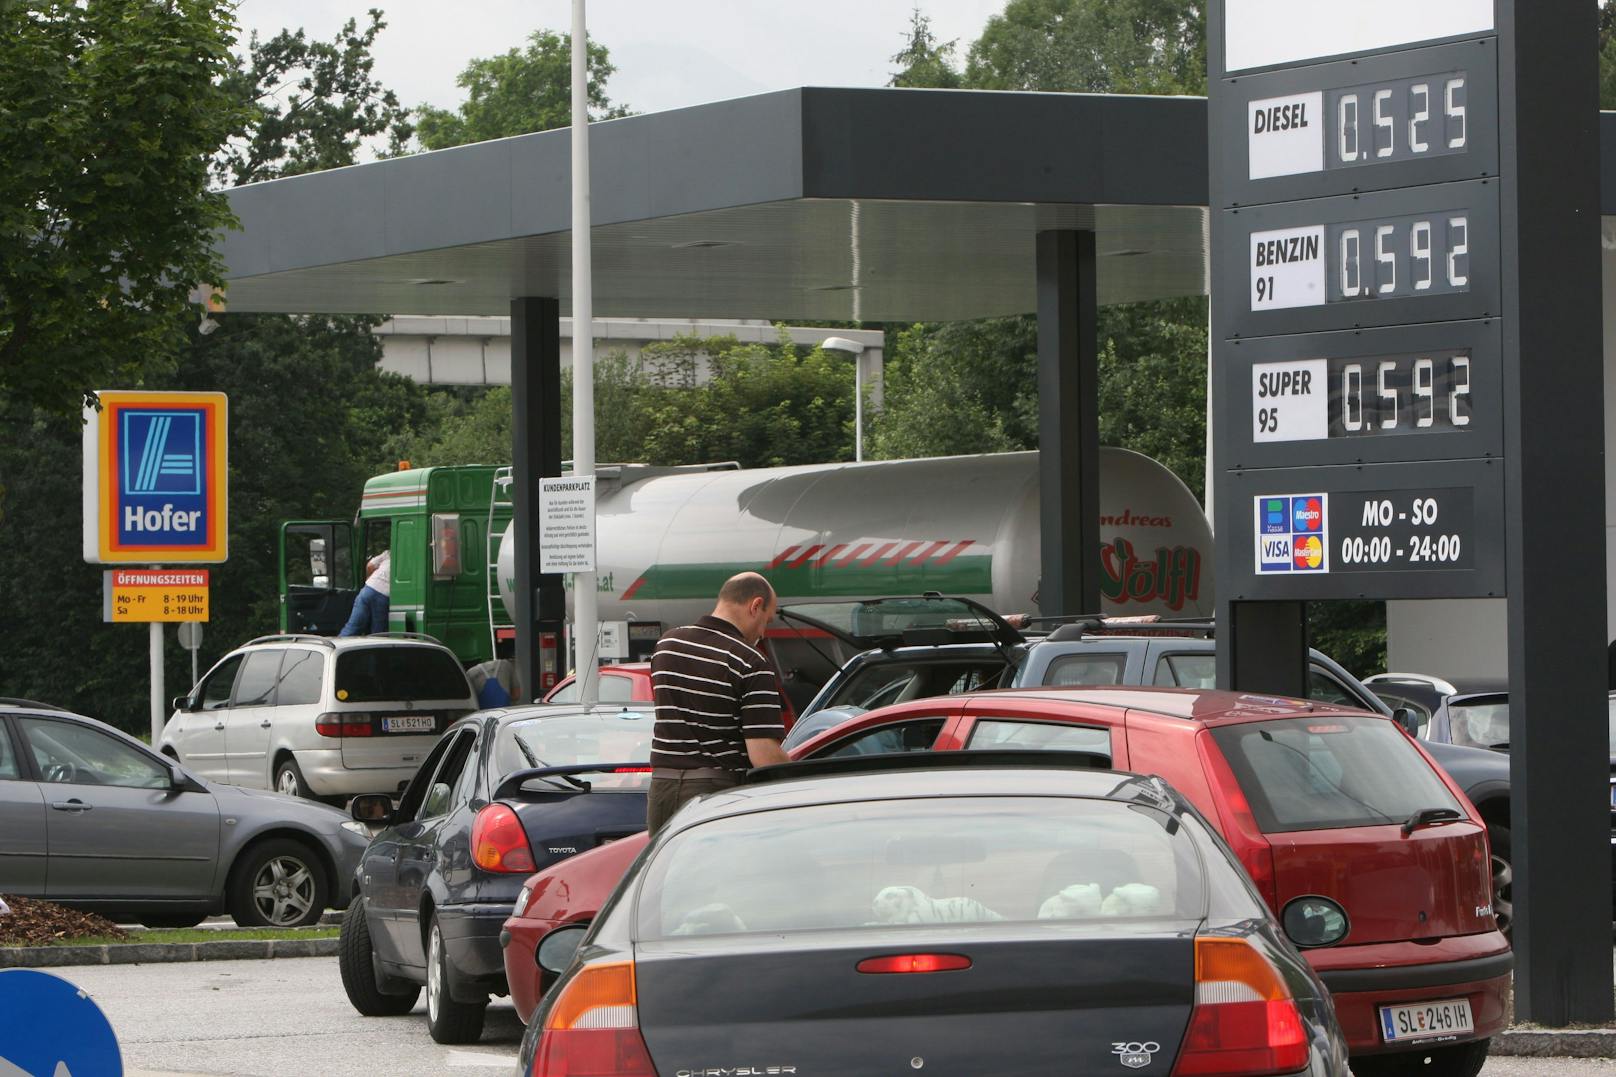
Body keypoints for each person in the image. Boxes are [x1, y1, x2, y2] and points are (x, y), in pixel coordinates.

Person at [646, 571, 789, 835]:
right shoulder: (750, 662)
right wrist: (796, 781)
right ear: (755, 606)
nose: (762, 632)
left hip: (661, 789)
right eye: (765, 621)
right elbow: (763, 755)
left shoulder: (666, 645)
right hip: (714, 795)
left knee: (666, 874)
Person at [340, 549, 390, 636]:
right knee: (378, 634)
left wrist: (369, 579)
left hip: (368, 589)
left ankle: (335, 647)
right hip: (384, 594)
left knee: (352, 628)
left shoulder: (389, 553)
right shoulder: (412, 558)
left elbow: (370, 566)